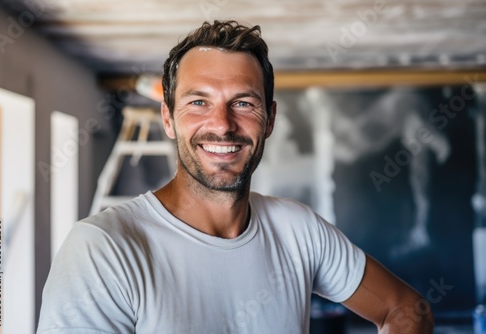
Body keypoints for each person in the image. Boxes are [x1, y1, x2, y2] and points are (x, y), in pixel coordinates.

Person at [37, 20, 434, 333]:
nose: (222, 125)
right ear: (168, 119)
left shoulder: (299, 230)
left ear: (270, 119)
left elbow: (407, 310)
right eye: (198, 102)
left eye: (243, 103)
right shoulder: (102, 248)